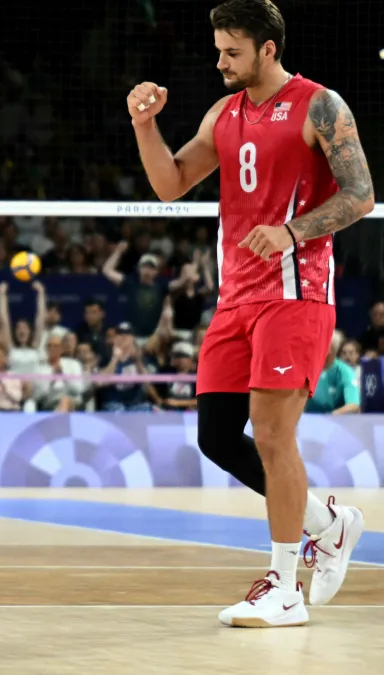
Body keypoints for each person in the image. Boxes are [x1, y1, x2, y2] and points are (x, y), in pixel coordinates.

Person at [128, 0, 374, 626]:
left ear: (268, 49)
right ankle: (329, 523)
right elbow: (171, 182)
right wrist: (144, 125)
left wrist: (293, 232)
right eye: (218, 51)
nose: (221, 62)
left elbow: (361, 194)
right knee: (216, 436)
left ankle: (285, 585)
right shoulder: (224, 113)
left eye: (232, 52)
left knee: (270, 433)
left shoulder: (320, 104)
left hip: (295, 293)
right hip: (235, 298)